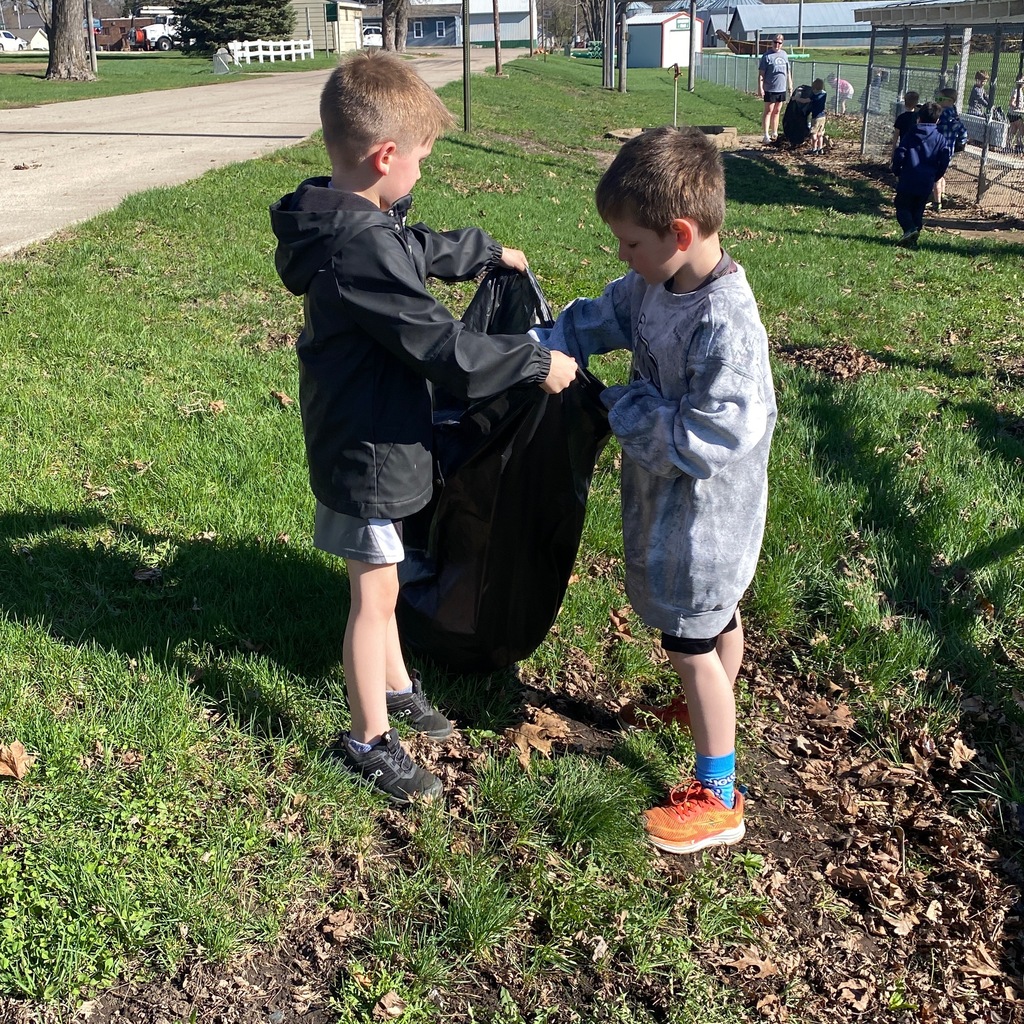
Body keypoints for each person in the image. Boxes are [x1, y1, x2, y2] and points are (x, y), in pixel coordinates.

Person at [269, 52, 578, 805]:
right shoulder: (361, 247)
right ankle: (367, 738)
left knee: (383, 574)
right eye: (421, 163)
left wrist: (484, 252)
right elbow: (444, 352)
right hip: (367, 451)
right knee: (373, 595)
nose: (421, 177)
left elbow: (415, 245)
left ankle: (399, 683)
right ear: (384, 156)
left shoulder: (351, 217)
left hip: (372, 434)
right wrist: (536, 364)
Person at [537, 126, 777, 855]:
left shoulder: (725, 324)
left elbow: (716, 435)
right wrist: (550, 341)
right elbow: (602, 315)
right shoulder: (656, 283)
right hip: (669, 505)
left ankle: (719, 793)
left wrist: (625, 408)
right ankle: (708, 705)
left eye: (631, 242)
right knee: (710, 628)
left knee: (693, 638)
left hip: (708, 520)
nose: (622, 255)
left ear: (679, 231)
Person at [891, 101, 949, 248]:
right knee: (918, 209)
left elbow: (900, 153)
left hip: (908, 178)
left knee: (902, 206)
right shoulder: (940, 139)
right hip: (927, 181)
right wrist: (937, 175)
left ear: (919, 118)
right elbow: (944, 160)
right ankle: (913, 237)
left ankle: (910, 229)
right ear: (937, 120)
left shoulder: (911, 133)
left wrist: (896, 169)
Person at [934, 87, 968, 211]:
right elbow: (962, 132)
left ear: (949, 101)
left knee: (936, 176)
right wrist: (961, 141)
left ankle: (937, 203)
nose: (937, 101)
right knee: (941, 173)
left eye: (940, 99)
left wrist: (962, 141)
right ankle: (942, 196)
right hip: (948, 149)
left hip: (940, 149)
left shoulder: (946, 114)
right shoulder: (952, 112)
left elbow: (961, 129)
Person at [758, 35, 792, 143]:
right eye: (775, 42)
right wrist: (760, 88)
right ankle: (766, 134)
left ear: (782, 44)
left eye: (779, 43)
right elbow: (761, 74)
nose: (777, 45)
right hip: (770, 87)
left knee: (777, 111)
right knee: (769, 110)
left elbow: (788, 72)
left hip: (781, 88)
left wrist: (790, 85)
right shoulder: (767, 56)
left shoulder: (784, 55)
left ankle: (774, 132)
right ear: (772, 43)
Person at [890, 90, 920, 158]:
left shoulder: (901, 117)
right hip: (916, 145)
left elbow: (896, 134)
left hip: (903, 145)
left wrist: (893, 148)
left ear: (905, 103)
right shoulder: (919, 117)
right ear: (917, 102)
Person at [809, 78, 828, 154]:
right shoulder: (824, 94)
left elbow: (806, 100)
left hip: (816, 117)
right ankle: (820, 148)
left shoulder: (814, 96)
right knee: (820, 133)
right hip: (823, 116)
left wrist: (796, 98)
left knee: (814, 133)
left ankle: (814, 148)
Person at [1007, 76, 1024, 153]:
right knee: (1021, 127)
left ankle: (1008, 145)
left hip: (1013, 114)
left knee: (1013, 129)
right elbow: (1011, 103)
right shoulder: (1017, 91)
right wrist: (1017, 107)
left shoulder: (1019, 91)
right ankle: (1019, 144)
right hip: (1015, 114)